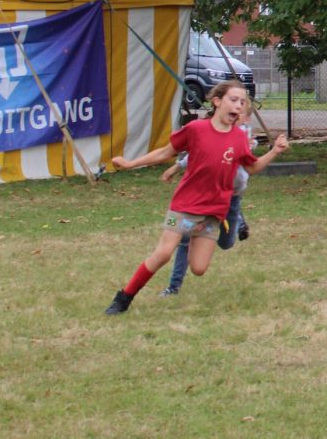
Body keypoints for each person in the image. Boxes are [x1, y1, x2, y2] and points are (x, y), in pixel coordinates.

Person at [104, 81, 289, 315]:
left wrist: (275, 151)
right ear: (217, 101)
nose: (239, 106)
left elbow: (251, 168)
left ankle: (192, 232)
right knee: (163, 253)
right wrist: (131, 163)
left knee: (199, 268)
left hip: (213, 213)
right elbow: (166, 152)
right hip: (184, 206)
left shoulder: (239, 138)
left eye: (242, 102)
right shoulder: (196, 129)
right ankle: (124, 298)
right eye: (233, 100)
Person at [159, 104, 255, 297]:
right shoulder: (214, 132)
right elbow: (198, 152)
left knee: (226, 244)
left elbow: (250, 156)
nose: (234, 116)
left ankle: (238, 221)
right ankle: (174, 286)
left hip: (230, 198)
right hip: (202, 198)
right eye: (232, 111)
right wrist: (176, 167)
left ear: (246, 119)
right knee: (184, 239)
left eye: (240, 114)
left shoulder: (241, 138)